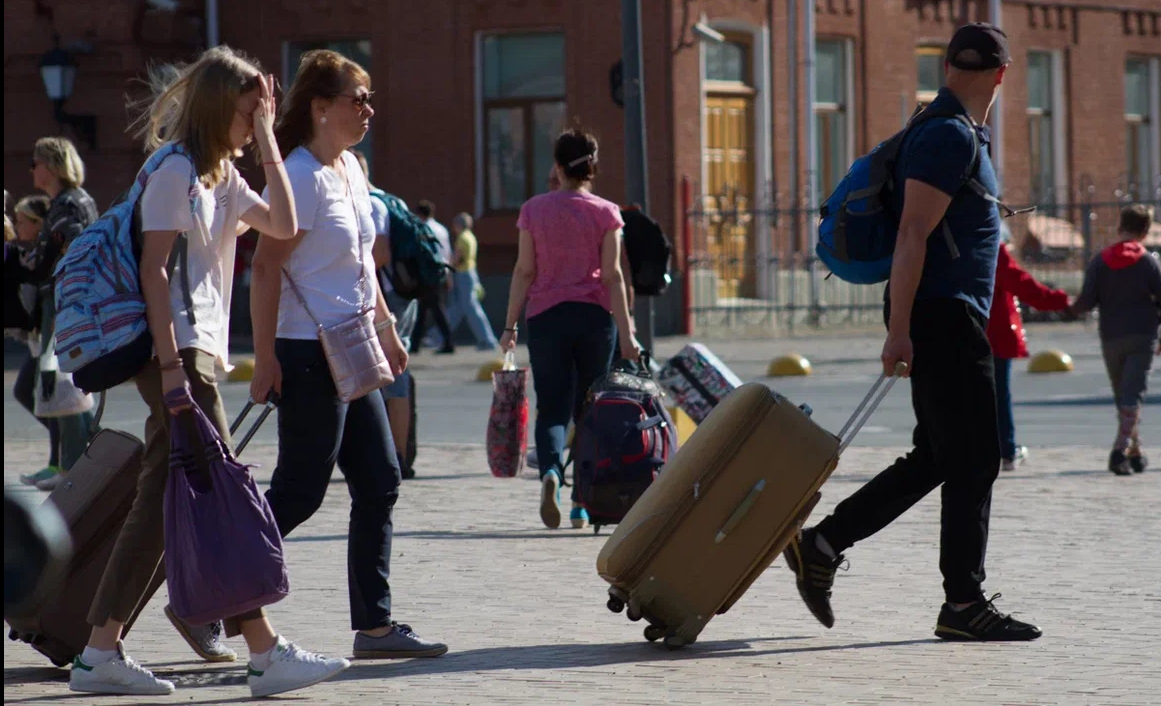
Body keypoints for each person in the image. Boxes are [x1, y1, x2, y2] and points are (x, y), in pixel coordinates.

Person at [72, 46, 349, 698]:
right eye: (250, 111)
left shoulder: (221, 177)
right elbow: (153, 274)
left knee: (165, 506)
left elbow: (284, 222)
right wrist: (170, 369)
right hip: (175, 352)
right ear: (221, 106)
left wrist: (267, 142)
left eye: (262, 112)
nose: (256, 123)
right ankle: (262, 651)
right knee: (218, 494)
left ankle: (98, 651)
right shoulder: (173, 170)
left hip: (194, 355)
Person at [783, 24, 1042, 642]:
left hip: (940, 313)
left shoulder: (951, 130)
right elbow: (911, 235)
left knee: (941, 456)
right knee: (976, 459)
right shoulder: (949, 135)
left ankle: (823, 544)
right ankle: (963, 604)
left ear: (948, 64)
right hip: (941, 315)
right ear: (1003, 76)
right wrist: (899, 330)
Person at [249, 49, 447, 660]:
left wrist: (388, 328)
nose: (367, 109)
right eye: (355, 98)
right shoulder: (300, 176)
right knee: (301, 492)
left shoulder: (352, 169)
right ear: (319, 106)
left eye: (369, 98)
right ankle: (209, 591)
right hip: (306, 353)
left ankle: (375, 628)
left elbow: (363, 264)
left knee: (381, 480)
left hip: (355, 347)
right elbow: (263, 267)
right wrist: (263, 359)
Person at [500, 127, 641, 530]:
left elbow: (525, 270)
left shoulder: (533, 210)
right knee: (590, 410)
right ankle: (582, 502)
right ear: (592, 167)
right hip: (594, 319)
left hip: (545, 318)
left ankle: (550, 474)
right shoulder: (606, 212)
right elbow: (613, 277)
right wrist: (628, 336)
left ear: (558, 167)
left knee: (552, 408)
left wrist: (509, 325)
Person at [25, 138, 100, 490]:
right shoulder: (65, 202)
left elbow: (76, 252)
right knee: (57, 382)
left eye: (36, 162)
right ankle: (73, 460)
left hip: (66, 300)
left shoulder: (70, 204)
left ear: (52, 166)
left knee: (65, 381)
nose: (31, 169)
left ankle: (74, 465)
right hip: (61, 299)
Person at [1069, 204, 1161, 475]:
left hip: (1110, 335)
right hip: (1143, 335)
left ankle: (1135, 451)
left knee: (1123, 395)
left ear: (1121, 225)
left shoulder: (1100, 260)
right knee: (1133, 395)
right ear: (1145, 231)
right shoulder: (1148, 261)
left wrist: (1062, 305)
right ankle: (1120, 451)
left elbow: (1086, 301)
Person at [352, 150, 418, 480]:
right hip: (399, 294)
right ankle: (393, 451)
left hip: (389, 299)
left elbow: (378, 256)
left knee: (392, 373)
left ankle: (397, 454)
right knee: (388, 371)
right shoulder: (390, 201)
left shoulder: (372, 204)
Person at [987, 231, 1071, 471]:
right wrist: (1061, 301)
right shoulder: (990, 244)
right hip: (994, 331)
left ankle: (972, 448)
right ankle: (1006, 450)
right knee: (998, 395)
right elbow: (1020, 283)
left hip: (961, 328)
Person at [8, 196, 64, 487]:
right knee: (27, 393)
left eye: (21, 220)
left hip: (46, 335)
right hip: (35, 337)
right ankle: (67, 444)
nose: (17, 225)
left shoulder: (41, 254)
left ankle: (58, 461)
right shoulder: (26, 254)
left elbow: (41, 280)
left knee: (49, 398)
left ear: (36, 223)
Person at [427, 213, 498, 351]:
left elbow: (456, 258)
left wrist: (449, 272)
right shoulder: (470, 237)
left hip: (463, 274)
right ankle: (437, 336)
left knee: (470, 308)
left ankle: (487, 340)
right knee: (458, 309)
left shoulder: (462, 238)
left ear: (458, 225)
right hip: (470, 273)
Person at [411, 200, 455, 354]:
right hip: (442, 271)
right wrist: (449, 275)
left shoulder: (424, 228)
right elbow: (448, 252)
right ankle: (415, 343)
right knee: (425, 309)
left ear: (419, 214)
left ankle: (448, 342)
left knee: (436, 309)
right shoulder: (442, 229)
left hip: (430, 273)